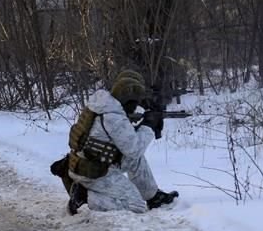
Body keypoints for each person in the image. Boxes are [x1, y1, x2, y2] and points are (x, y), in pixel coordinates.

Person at [65, 71, 178, 214]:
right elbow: (134, 148)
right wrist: (148, 126)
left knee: (135, 160)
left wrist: (141, 123)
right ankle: (85, 196)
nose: (136, 105)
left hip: (89, 162)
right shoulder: (113, 116)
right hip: (93, 172)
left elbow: (122, 142)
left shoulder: (101, 105)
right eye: (134, 102)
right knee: (136, 205)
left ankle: (153, 196)